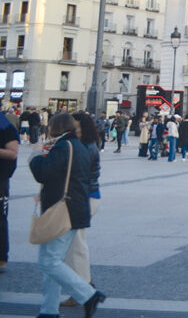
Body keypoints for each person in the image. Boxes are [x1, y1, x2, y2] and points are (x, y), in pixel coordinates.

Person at [29, 112, 106, 318]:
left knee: (50, 261)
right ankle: (49, 310)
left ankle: (88, 294)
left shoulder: (65, 146)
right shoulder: (78, 146)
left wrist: (36, 155)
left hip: (64, 210)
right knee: (52, 261)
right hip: (73, 207)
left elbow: (42, 173)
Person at [60, 112, 101, 307]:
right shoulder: (82, 144)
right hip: (82, 196)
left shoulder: (86, 147)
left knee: (76, 244)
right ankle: (82, 287)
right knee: (73, 244)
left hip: (85, 197)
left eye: (75, 126)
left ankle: (84, 289)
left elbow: (80, 174)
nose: (72, 130)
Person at [0, 106, 20, 274]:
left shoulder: (5, 127)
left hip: (0, 179)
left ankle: (1, 258)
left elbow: (13, 153)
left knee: (0, 219)